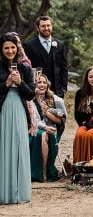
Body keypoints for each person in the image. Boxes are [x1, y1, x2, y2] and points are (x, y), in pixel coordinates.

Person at [0, 32, 35, 204]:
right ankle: (3, 192)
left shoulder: (25, 69)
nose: (10, 50)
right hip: (3, 110)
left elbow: (30, 95)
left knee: (20, 148)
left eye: (13, 47)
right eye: (6, 47)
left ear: (17, 48)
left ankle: (20, 192)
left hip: (19, 111)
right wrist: (5, 84)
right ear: (1, 49)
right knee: (3, 148)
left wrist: (20, 82)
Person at [29, 73, 67, 181]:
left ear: (48, 85)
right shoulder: (29, 99)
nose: (42, 85)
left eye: (44, 82)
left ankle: (45, 170)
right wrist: (43, 127)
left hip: (53, 128)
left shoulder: (55, 99)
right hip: (33, 128)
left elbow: (61, 121)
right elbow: (31, 120)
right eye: (39, 82)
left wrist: (46, 112)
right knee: (42, 134)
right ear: (34, 84)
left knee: (46, 134)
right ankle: (41, 171)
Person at [23, 15, 68, 98]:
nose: (46, 28)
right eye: (43, 26)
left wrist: (64, 88)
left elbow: (63, 68)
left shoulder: (60, 45)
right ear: (37, 28)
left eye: (48, 25)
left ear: (52, 26)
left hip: (57, 92)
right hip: (37, 91)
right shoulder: (28, 45)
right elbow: (27, 69)